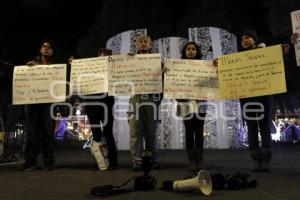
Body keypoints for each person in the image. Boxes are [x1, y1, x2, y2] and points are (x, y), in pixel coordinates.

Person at [239, 30, 273, 172]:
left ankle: (265, 161)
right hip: (247, 99)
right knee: (251, 129)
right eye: (242, 39)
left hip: (264, 97)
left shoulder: (266, 53)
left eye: (247, 37)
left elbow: (278, 65)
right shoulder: (239, 58)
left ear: (254, 39)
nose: (244, 40)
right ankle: (255, 160)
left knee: (265, 128)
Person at [20, 39, 57, 171]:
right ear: (41, 50)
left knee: (48, 132)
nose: (46, 48)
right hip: (33, 103)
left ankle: (48, 161)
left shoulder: (57, 67)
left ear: (52, 51)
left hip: (48, 103)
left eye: (48, 47)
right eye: (43, 46)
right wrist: (26, 69)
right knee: (31, 132)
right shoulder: (32, 64)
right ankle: (30, 161)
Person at [128, 35, 162, 170]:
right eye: (140, 42)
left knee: (151, 131)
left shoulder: (158, 60)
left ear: (150, 45)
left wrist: (164, 71)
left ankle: (152, 159)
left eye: (145, 42)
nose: (142, 44)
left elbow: (165, 76)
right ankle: (137, 161)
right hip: (136, 97)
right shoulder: (130, 59)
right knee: (135, 130)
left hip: (152, 98)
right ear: (137, 45)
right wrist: (125, 61)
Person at [176, 42, 207, 176]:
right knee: (189, 131)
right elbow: (173, 82)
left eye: (193, 49)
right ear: (184, 52)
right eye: (188, 49)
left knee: (199, 131)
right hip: (185, 103)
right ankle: (191, 160)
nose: (191, 51)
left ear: (197, 51)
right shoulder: (177, 66)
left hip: (200, 102)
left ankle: (199, 159)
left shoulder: (205, 65)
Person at [84, 48, 118, 170]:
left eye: (106, 56)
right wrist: (74, 65)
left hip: (106, 105)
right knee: (96, 135)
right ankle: (99, 161)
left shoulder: (113, 70)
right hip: (91, 105)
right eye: (101, 55)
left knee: (108, 133)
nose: (103, 57)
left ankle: (113, 162)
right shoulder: (90, 69)